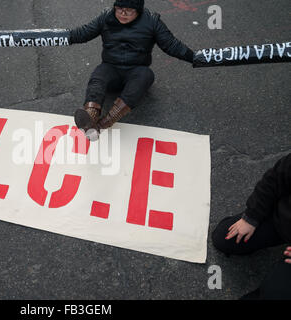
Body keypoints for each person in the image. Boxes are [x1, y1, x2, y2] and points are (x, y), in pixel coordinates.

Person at [69, 0, 194, 141]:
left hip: (137, 69)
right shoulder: (106, 16)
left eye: (129, 10)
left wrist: (195, 57)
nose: (123, 13)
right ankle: (90, 116)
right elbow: (82, 33)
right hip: (111, 67)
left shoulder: (152, 21)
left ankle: (103, 124)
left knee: (146, 76)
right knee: (98, 77)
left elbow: (172, 45)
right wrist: (58, 36)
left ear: (138, 10)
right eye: (119, 8)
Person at [212, 153, 291, 299]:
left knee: (275, 292)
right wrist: (251, 217)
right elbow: (274, 179)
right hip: (283, 221)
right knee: (223, 238)